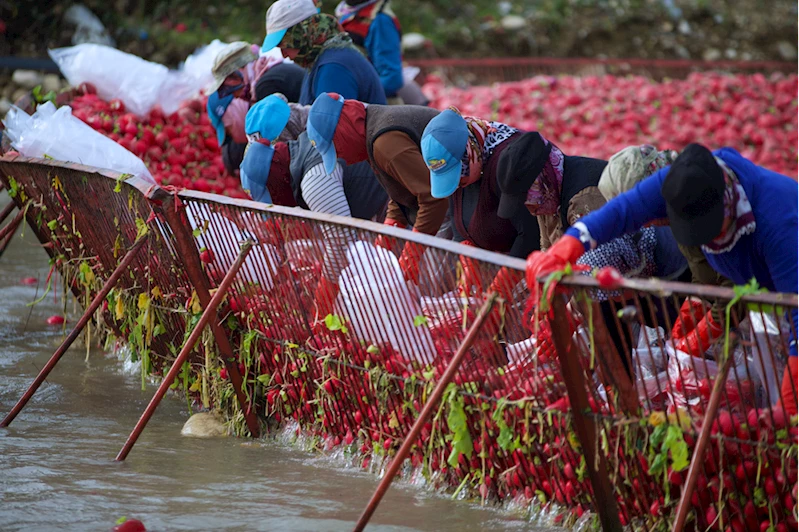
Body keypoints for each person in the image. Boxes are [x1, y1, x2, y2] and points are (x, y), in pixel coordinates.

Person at [527, 143, 799, 414]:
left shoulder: (779, 226)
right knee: (772, 373)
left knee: (788, 395)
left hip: (784, 292)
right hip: (762, 297)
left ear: (727, 207)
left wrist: (789, 402)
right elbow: (620, 212)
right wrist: (566, 248)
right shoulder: (679, 181)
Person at [240, 94, 388, 321]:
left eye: (273, 195)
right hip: (388, 202)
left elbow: (343, 241)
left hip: (399, 205)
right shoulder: (302, 148)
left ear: (276, 179)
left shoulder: (312, 181)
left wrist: (325, 295)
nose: (279, 202)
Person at [598, 144, 738, 357]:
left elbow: (736, 278)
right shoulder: (677, 216)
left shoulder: (704, 200)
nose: (641, 225)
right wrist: (696, 303)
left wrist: (709, 327)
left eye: (639, 212)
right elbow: (702, 266)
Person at [305, 92, 448, 284]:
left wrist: (414, 251)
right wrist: (391, 225)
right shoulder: (373, 132)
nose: (342, 157)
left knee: (438, 285)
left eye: (336, 149)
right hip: (445, 200)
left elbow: (433, 197)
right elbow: (405, 187)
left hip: (454, 198)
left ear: (344, 130)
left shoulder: (384, 143)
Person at [419, 110, 541, 304]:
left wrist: (503, 284)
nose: (457, 185)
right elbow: (457, 215)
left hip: (526, 270)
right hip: (494, 267)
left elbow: (530, 234)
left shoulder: (506, 162)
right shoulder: (464, 166)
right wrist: (467, 254)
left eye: (459, 176)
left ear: (471, 153)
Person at [494, 130, 609, 252]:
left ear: (543, 176)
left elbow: (597, 260)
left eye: (528, 199)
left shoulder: (583, 197)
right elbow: (547, 250)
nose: (531, 211)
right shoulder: (548, 194)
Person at [207, 42, 306, 174]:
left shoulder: (266, 86)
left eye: (231, 87)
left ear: (240, 72)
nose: (236, 96)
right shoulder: (270, 74)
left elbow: (278, 144)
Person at [262, 0, 387, 106]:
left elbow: (331, 131)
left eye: (285, 45)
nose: (284, 55)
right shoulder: (320, 60)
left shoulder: (334, 67)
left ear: (303, 34)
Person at [334, 0, 403, 102]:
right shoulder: (346, 14)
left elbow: (391, 78)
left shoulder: (380, 19)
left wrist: (353, 97)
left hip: (374, 110)